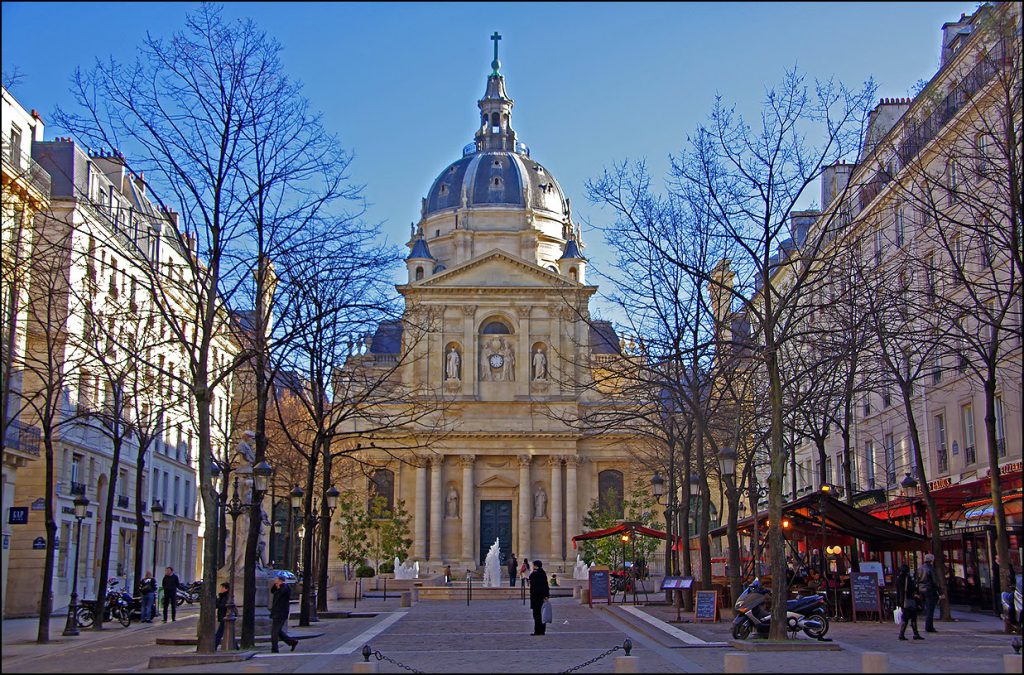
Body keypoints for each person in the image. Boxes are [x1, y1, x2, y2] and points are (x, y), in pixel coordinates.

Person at [269, 573, 298, 653]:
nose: (275, 581)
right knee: (278, 631)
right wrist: (276, 586)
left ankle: (274, 649)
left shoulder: (285, 588)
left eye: (276, 580)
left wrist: (279, 586)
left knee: (274, 632)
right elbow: (272, 591)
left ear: (280, 581)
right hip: (276, 612)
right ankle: (292, 642)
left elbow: (282, 593)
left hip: (281, 613)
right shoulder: (278, 587)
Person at [916, 553, 943, 633]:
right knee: (930, 609)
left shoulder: (920, 568)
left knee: (927, 608)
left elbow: (916, 579)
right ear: (932, 560)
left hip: (921, 590)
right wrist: (940, 592)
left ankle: (929, 626)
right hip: (929, 589)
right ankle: (929, 627)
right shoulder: (931, 568)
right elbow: (935, 581)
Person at [896, 563, 924, 640]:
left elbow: (898, 592)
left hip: (902, 601)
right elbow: (912, 589)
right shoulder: (908, 579)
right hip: (909, 600)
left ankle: (902, 634)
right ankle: (914, 634)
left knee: (905, 618)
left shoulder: (898, 579)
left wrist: (898, 602)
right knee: (913, 617)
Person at [528, 560, 550, 636]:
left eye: (533, 565)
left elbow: (530, 578)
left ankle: (537, 631)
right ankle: (542, 630)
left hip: (536, 597)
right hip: (542, 596)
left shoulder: (535, 573)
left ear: (535, 565)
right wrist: (547, 596)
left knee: (536, 614)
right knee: (542, 614)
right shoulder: (543, 573)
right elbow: (546, 585)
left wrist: (532, 571)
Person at [215, 583, 230, 649]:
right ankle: (235, 647)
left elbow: (222, 606)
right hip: (223, 617)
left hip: (225, 617)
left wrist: (217, 601)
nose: (220, 589)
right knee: (226, 633)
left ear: (226, 589)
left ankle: (214, 646)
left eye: (222, 588)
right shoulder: (223, 596)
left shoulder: (226, 597)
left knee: (219, 633)